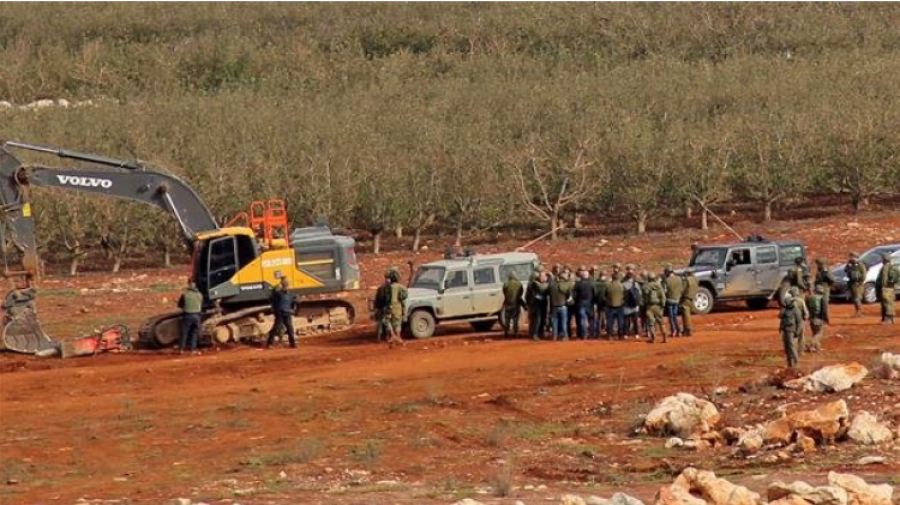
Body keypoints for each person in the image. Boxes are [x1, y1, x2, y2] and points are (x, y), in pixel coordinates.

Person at [267, 277, 298, 348]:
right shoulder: (279, 293)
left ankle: (292, 344)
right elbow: (273, 300)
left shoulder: (286, 293)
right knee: (278, 328)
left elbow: (294, 302)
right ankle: (270, 343)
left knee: (289, 328)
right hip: (281, 313)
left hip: (285, 313)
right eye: (285, 282)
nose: (286, 284)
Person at [382, 269, 408, 347]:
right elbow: (404, 296)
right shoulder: (400, 287)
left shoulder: (387, 287)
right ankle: (398, 337)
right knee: (397, 323)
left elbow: (384, 297)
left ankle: (392, 336)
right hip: (397, 307)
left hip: (388, 307)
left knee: (387, 321)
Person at [177, 280, 203, 354]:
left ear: (188, 285)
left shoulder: (185, 294)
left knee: (184, 332)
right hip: (197, 316)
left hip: (187, 315)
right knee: (194, 333)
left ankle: (181, 349)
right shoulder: (199, 294)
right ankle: (193, 349)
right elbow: (200, 304)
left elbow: (180, 305)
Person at [780, 293, 803, 368]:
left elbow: (799, 322)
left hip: (791, 331)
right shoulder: (785, 310)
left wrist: (797, 332)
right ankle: (789, 363)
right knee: (786, 347)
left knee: (791, 347)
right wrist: (780, 328)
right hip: (785, 330)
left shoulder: (796, 310)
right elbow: (781, 319)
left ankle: (796, 362)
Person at [549, 269, 573, 341]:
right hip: (563, 306)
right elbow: (569, 295)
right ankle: (565, 336)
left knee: (554, 323)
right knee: (563, 323)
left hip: (554, 306)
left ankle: (554, 336)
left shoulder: (552, 285)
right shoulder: (566, 285)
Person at [875, 253, 899, 324]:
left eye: (882, 258)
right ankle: (890, 319)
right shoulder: (892, 267)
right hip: (891, 287)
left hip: (886, 288)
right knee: (889, 302)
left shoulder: (886, 267)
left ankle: (888, 319)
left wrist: (883, 286)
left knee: (887, 303)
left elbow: (884, 278)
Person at [643, 272, 666, 343]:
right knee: (661, 322)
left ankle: (653, 338)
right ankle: (664, 337)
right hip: (658, 306)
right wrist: (662, 306)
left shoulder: (645, 286)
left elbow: (643, 297)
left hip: (649, 306)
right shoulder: (658, 285)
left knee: (651, 322)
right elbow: (663, 297)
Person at [662, 265, 684, 338]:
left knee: (671, 317)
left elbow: (665, 291)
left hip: (669, 300)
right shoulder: (679, 279)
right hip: (677, 300)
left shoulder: (666, 280)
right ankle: (679, 330)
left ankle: (673, 331)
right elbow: (681, 289)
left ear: (667, 272)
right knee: (675, 315)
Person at [502, 272, 526, 338]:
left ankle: (506, 333)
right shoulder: (519, 284)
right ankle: (516, 333)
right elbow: (520, 293)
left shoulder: (505, 284)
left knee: (507, 320)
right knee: (515, 320)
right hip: (515, 305)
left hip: (507, 304)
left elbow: (504, 293)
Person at [527, 271, 550, 340]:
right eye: (542, 276)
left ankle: (540, 333)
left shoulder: (543, 284)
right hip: (537, 305)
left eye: (544, 276)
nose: (544, 278)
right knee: (538, 320)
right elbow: (542, 289)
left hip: (543, 305)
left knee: (542, 320)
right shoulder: (535, 284)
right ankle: (535, 334)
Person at [573, 269, 595, 339]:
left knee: (582, 319)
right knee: (591, 318)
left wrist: (576, 302)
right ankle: (591, 334)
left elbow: (574, 295)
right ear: (588, 276)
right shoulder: (591, 283)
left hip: (580, 303)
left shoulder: (577, 284)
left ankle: (584, 334)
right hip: (589, 303)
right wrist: (594, 302)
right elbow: (595, 293)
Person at [845, 252, 867, 317]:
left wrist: (860, 283)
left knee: (857, 298)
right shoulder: (850, 264)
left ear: (856, 257)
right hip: (852, 284)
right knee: (854, 298)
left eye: (852, 257)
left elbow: (864, 275)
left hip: (858, 284)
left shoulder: (860, 265)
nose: (851, 258)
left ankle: (859, 312)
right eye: (850, 256)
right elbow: (846, 270)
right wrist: (848, 265)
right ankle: (857, 311)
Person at [813, 258, 835, 324]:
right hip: (818, 289)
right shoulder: (819, 270)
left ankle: (825, 320)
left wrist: (826, 273)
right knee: (818, 305)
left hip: (825, 289)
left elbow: (832, 279)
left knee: (824, 305)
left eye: (818, 264)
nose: (817, 265)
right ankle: (821, 319)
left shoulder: (826, 270)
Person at [622, 265, 642, 338]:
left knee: (626, 321)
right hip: (635, 306)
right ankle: (636, 334)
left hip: (626, 306)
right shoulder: (636, 284)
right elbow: (640, 293)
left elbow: (622, 295)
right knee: (635, 321)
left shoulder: (623, 284)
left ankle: (625, 334)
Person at [605, 271, 625, 340]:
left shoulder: (608, 285)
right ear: (618, 278)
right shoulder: (621, 285)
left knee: (610, 322)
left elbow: (605, 295)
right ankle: (620, 335)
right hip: (620, 305)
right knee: (620, 321)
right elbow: (625, 295)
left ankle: (610, 335)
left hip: (610, 306)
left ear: (612, 278)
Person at [373, 271, 392, 342]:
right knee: (387, 322)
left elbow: (377, 299)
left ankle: (378, 337)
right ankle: (387, 337)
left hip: (380, 307)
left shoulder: (380, 287)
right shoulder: (390, 288)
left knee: (380, 322)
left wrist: (376, 308)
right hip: (386, 307)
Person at [806, 284, 826, 352]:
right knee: (819, 333)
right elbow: (824, 310)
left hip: (811, 318)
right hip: (819, 318)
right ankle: (810, 345)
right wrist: (826, 319)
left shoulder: (809, 297)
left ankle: (817, 348)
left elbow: (807, 308)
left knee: (814, 333)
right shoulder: (822, 298)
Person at [789, 286, 809, 355]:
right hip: (800, 321)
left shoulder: (787, 301)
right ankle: (800, 351)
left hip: (791, 322)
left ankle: (792, 351)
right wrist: (805, 318)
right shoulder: (801, 301)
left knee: (793, 337)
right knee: (801, 336)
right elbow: (806, 313)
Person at [681, 270, 698, 337]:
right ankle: (687, 329)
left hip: (686, 298)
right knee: (688, 314)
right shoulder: (695, 279)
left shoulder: (687, 280)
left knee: (686, 314)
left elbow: (683, 289)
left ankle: (688, 329)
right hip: (693, 297)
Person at [592, 269, 608, 338]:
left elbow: (594, 294)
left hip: (598, 302)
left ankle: (598, 333)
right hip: (606, 303)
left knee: (598, 317)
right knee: (607, 317)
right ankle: (607, 331)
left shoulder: (595, 283)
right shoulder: (607, 284)